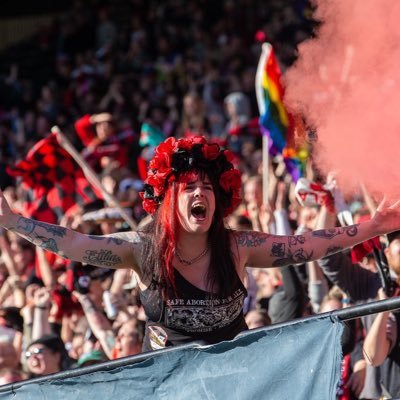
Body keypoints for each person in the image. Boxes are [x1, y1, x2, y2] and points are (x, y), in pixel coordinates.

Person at [0, 135, 400, 352]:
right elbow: (74, 243)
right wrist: (13, 221)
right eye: (189, 187)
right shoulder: (141, 249)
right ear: (168, 200)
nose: (200, 194)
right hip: (165, 384)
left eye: (207, 187)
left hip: (233, 381)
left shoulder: (238, 247)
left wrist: (376, 225)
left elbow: (308, 245)